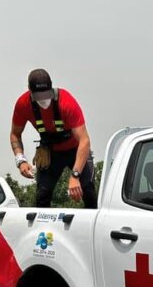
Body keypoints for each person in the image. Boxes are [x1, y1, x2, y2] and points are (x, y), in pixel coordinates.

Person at [10, 68, 97, 208]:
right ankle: (43, 227)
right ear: (30, 91)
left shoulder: (67, 102)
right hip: (51, 152)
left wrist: (75, 175)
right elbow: (15, 134)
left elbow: (84, 140)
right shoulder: (23, 104)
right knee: (42, 195)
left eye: (47, 94)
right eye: (39, 96)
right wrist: (20, 160)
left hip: (76, 150)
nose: (44, 100)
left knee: (88, 190)